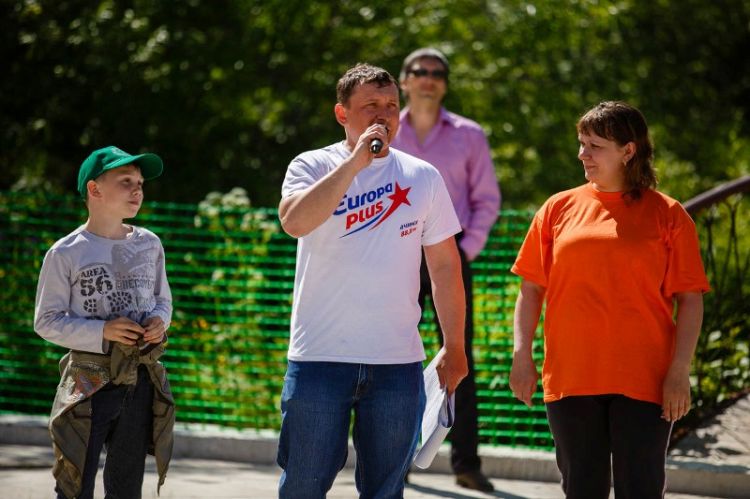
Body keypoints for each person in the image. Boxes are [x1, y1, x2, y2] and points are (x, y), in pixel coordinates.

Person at [277, 63, 469, 498]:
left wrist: (454, 346)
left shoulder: (423, 176)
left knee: (386, 490)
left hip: (397, 364)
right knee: (303, 485)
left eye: (391, 106)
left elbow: (444, 267)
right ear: (342, 114)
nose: (384, 115)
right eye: (371, 106)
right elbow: (295, 222)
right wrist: (356, 162)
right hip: (319, 359)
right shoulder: (311, 165)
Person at [509, 101, 710, 498]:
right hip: (570, 377)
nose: (582, 154)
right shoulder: (557, 208)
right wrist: (521, 355)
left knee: (641, 489)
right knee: (582, 489)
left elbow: (690, 300)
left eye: (595, 146)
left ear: (628, 150)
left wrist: (679, 370)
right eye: (582, 143)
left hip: (645, 379)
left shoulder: (668, 214)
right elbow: (530, 290)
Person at [34, 145, 175, 499]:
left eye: (140, 183)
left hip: (139, 379)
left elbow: (163, 300)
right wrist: (103, 331)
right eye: (126, 181)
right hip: (87, 382)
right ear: (94, 189)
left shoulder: (150, 243)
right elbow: (46, 321)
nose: (137, 190)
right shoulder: (67, 251)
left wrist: (159, 321)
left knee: (126, 487)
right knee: (74, 483)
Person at [391, 47, 501, 492]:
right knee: (390, 356)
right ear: (404, 80)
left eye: (437, 72)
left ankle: (466, 464)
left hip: (449, 258)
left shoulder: (469, 135)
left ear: (445, 84)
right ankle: (392, 460)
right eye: (420, 70)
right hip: (393, 258)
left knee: (457, 357)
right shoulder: (384, 130)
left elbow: (486, 200)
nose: (429, 78)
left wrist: (465, 252)